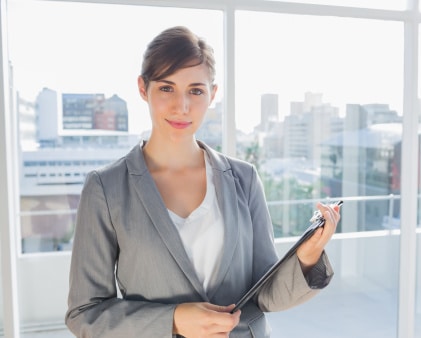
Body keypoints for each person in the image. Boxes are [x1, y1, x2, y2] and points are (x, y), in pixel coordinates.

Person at [65, 26, 341, 338]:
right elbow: (84, 313)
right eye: (167, 89)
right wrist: (174, 320)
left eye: (196, 90)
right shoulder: (106, 188)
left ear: (213, 94)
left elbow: (265, 294)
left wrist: (307, 257)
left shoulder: (244, 178)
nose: (182, 106)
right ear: (143, 89)